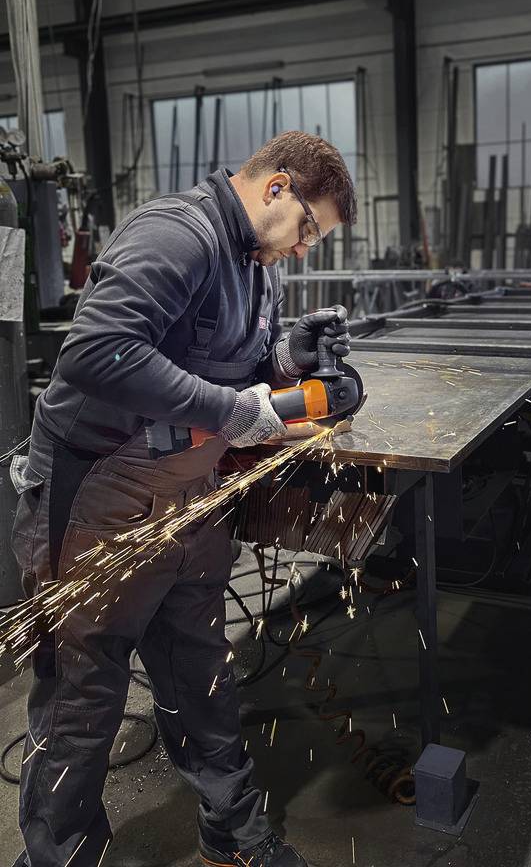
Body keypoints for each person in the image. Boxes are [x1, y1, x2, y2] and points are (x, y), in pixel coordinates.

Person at [9, 131, 357, 867]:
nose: (302, 248)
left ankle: (232, 834)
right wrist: (235, 413)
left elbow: (238, 362)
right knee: (84, 693)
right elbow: (98, 354)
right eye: (308, 229)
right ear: (277, 188)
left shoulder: (258, 267)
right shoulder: (175, 234)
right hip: (94, 495)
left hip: (185, 494)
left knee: (201, 670)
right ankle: (62, 857)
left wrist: (292, 355)